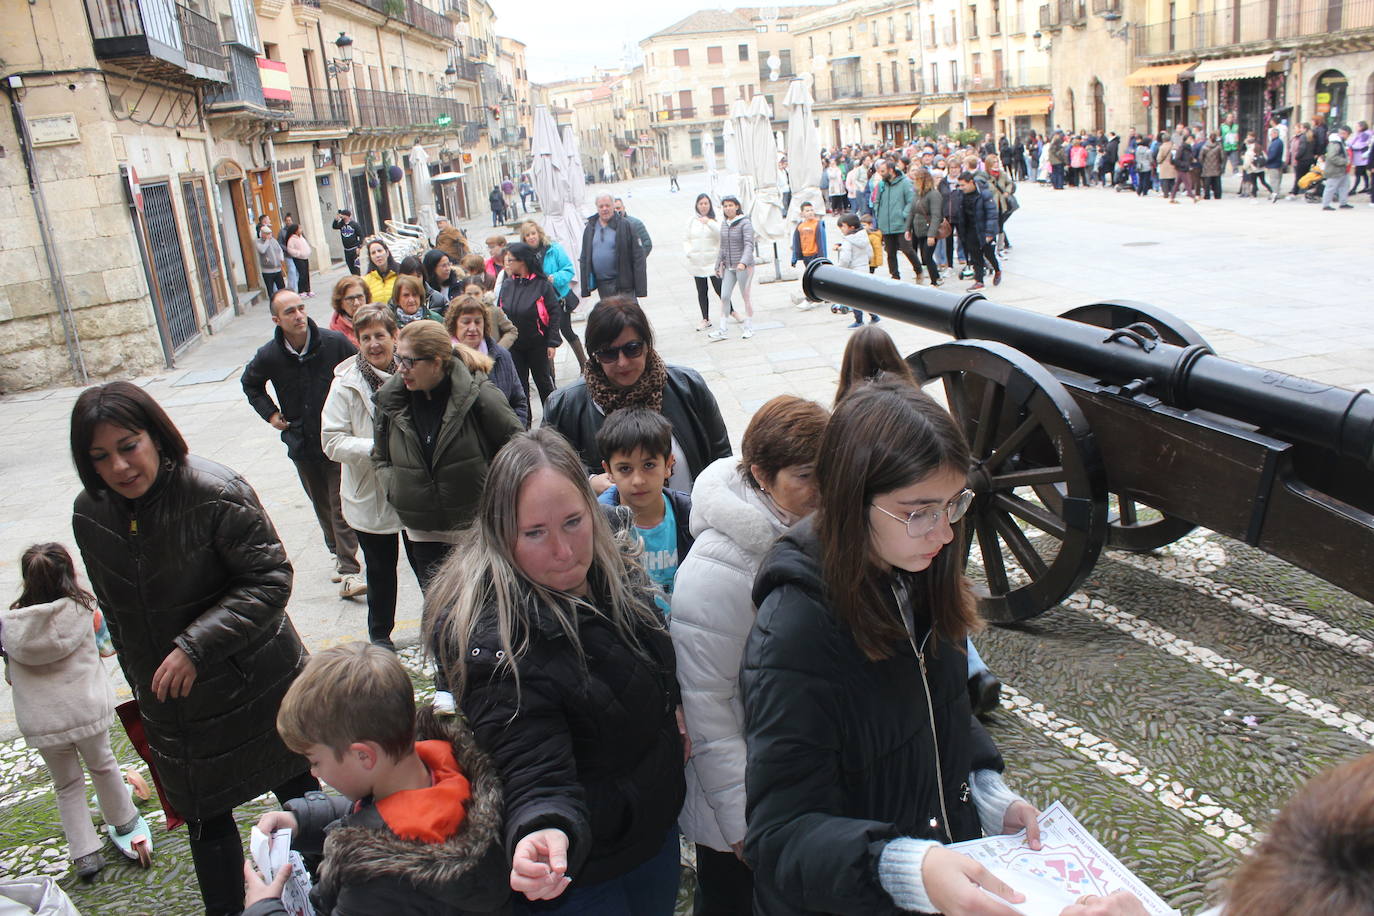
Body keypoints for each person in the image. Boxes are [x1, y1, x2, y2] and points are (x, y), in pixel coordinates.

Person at [741, 379, 1041, 916]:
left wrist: (987, 796)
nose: (945, 533)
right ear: (853, 497)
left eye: (953, 505)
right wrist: (905, 867)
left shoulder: (919, 569)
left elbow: (938, 708)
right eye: (920, 510)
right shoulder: (794, 632)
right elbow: (780, 837)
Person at [70, 382, 318, 915]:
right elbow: (113, 605)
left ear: (156, 436)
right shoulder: (90, 512)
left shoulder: (214, 491)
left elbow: (271, 579)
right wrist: (142, 683)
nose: (118, 466)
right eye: (100, 456)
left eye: (128, 445)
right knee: (207, 823)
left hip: (257, 684)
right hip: (175, 705)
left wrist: (194, 647)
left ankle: (340, 894)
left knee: (301, 796)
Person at [423, 428, 687, 915]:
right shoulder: (496, 640)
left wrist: (672, 709)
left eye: (572, 522)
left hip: (650, 829)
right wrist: (543, 827)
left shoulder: (615, 562)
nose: (564, 551)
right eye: (535, 533)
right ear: (502, 533)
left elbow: (651, 659)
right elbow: (531, 762)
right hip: (582, 871)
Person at [672, 395, 829, 916]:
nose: (823, 489)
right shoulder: (719, 571)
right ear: (761, 475)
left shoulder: (812, 533)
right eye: (807, 475)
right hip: (741, 806)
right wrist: (744, 824)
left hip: (802, 783)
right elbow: (708, 708)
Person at [243, 643, 509, 916]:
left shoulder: (375, 878)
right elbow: (377, 812)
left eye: (315, 761)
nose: (314, 773)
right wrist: (302, 821)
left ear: (363, 757)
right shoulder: (446, 775)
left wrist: (262, 909)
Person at [3, 542, 152, 880]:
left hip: (43, 721)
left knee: (66, 785)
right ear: (69, 574)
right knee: (103, 765)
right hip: (86, 710)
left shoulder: (8, 626)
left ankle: (85, 855)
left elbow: (12, 676)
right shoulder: (87, 610)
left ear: (27, 579)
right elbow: (106, 650)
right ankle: (123, 819)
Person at [241, 290, 364, 598]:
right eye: (289, 312)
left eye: (301, 308)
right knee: (321, 502)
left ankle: (350, 571)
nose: (298, 315)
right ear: (276, 320)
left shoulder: (333, 343)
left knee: (340, 504)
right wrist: (270, 414)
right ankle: (337, 552)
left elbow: (359, 370)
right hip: (301, 442)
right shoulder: (270, 355)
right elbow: (250, 383)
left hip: (337, 438)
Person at [542, 297, 731, 494]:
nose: (622, 362)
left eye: (632, 349)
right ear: (595, 356)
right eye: (609, 353)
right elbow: (546, 471)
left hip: (692, 519)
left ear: (647, 345)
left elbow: (722, 459)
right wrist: (587, 483)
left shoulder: (688, 386)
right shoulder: (565, 406)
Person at [321, 305, 408, 650]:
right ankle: (380, 636)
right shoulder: (347, 385)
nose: (374, 344)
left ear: (394, 336)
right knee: (380, 569)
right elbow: (331, 441)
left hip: (414, 491)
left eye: (380, 335)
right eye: (366, 337)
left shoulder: (411, 371)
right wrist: (378, 447)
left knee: (429, 568)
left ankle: (441, 628)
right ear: (357, 341)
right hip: (369, 494)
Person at [594, 407, 694, 606]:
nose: (638, 480)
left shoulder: (690, 515)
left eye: (648, 465)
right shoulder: (598, 527)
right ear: (609, 471)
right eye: (625, 469)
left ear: (668, 465)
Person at [446, 294, 529, 427]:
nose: (473, 328)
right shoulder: (444, 360)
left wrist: (515, 435)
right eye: (466, 322)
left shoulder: (501, 356)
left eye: (478, 322)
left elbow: (518, 401)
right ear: (453, 324)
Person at [497, 241, 562, 407]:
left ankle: (553, 422)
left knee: (544, 384)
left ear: (522, 261)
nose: (507, 264)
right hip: (514, 346)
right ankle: (524, 424)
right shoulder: (507, 284)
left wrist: (552, 342)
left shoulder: (542, 285)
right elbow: (499, 313)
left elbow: (554, 313)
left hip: (538, 344)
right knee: (520, 388)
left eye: (510, 260)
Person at [520, 219, 588, 373]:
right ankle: (551, 376)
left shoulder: (554, 249)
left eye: (533, 233)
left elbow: (569, 270)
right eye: (527, 235)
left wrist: (554, 278)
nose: (531, 237)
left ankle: (584, 366)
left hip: (558, 298)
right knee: (545, 339)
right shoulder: (524, 256)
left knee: (566, 330)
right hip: (539, 303)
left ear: (539, 233)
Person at [579, 193, 648, 302]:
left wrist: (641, 289)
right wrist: (585, 287)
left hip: (624, 284)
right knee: (609, 317)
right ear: (597, 207)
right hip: (602, 285)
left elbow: (638, 257)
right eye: (601, 206)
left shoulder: (626, 225)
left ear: (613, 206)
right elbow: (584, 257)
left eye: (607, 205)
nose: (604, 209)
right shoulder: (590, 227)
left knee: (628, 316)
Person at [711, 196, 755, 341]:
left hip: (743, 267)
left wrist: (743, 262)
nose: (728, 208)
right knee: (724, 296)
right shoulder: (724, 224)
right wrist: (718, 264)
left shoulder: (745, 223)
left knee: (745, 296)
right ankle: (723, 329)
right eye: (725, 206)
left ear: (737, 206)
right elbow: (723, 246)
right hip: (729, 266)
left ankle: (749, 327)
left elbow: (749, 244)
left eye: (730, 205)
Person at [950, 171, 1000, 290]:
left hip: (982, 229)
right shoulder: (961, 194)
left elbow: (992, 214)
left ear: (971, 182)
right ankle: (979, 280)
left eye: (963, 185)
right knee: (975, 255)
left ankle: (997, 270)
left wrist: (989, 232)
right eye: (959, 185)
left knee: (988, 253)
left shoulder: (984, 194)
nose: (961, 188)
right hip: (969, 229)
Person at [874, 159, 921, 282]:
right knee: (890, 252)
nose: (881, 173)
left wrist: (904, 214)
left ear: (891, 170)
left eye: (883, 171)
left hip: (900, 223)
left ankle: (918, 269)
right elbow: (876, 201)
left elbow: (911, 201)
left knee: (907, 249)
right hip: (886, 223)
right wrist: (878, 215)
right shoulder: (881, 184)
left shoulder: (905, 183)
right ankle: (894, 275)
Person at [684, 193, 723, 331]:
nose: (703, 206)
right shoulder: (692, 221)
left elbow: (720, 233)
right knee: (702, 291)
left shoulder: (715, 219)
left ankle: (731, 311)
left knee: (720, 288)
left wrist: (709, 222)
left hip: (712, 261)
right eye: (701, 203)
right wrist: (689, 252)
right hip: (697, 262)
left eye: (706, 203)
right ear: (697, 205)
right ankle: (705, 318)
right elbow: (686, 238)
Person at [833, 213, 877, 328]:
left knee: (854, 297)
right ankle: (874, 315)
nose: (841, 229)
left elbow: (845, 259)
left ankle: (858, 320)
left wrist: (840, 268)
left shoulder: (848, 241)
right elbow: (870, 254)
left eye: (843, 226)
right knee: (865, 295)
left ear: (851, 227)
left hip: (853, 271)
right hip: (864, 268)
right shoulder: (864, 236)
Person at [1321, 124, 1353, 210]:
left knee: (1344, 186)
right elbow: (1332, 156)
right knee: (1331, 187)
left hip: (1342, 170)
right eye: (1347, 134)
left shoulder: (1340, 142)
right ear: (1344, 133)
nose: (1348, 137)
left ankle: (1343, 202)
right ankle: (1326, 204)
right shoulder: (1335, 143)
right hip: (1335, 169)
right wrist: (1345, 162)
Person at [789, 201, 827, 272]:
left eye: (812, 210)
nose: (810, 212)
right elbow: (796, 242)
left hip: (816, 255)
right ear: (802, 213)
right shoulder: (800, 226)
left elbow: (822, 242)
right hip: (805, 255)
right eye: (807, 211)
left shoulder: (818, 225)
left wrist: (823, 258)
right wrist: (794, 258)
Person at [329, 275, 366, 346]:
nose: (356, 303)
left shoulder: (380, 321)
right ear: (340, 303)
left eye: (360, 297)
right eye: (350, 299)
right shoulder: (335, 333)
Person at [362, 238, 400, 305]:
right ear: (370, 257)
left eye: (380, 251)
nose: (377, 255)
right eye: (373, 253)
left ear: (387, 253)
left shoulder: (400, 274)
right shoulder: (366, 280)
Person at [282, 222, 313, 297]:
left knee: (306, 274)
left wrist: (308, 251)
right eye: (299, 228)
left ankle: (308, 290)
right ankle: (301, 290)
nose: (301, 230)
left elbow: (306, 245)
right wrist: (298, 253)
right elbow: (290, 249)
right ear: (295, 230)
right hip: (298, 258)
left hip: (305, 257)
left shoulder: (301, 237)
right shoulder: (292, 239)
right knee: (302, 274)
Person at [256, 223, 287, 298]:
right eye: (267, 234)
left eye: (270, 233)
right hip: (267, 270)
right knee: (271, 291)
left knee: (282, 289)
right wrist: (267, 241)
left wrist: (281, 258)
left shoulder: (274, 240)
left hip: (277, 269)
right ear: (262, 234)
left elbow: (279, 250)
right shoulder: (258, 241)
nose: (269, 235)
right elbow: (262, 250)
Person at [332, 208, 363, 275]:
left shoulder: (354, 224)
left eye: (342, 215)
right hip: (346, 250)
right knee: (350, 266)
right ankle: (354, 278)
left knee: (356, 267)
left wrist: (359, 247)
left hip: (354, 249)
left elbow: (361, 236)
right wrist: (336, 220)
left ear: (347, 216)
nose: (341, 216)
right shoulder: (341, 224)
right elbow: (334, 227)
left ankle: (358, 279)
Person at [1264, 126, 1286, 203]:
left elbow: (1273, 154)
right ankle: (1276, 193)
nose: (1271, 135)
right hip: (1278, 163)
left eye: (1272, 134)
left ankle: (1275, 193)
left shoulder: (1276, 143)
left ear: (1276, 134)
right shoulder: (1279, 142)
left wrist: (1266, 161)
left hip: (1274, 164)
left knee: (1274, 180)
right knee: (1277, 179)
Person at [1201, 132, 1226, 200]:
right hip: (1216, 166)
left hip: (1207, 167)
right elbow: (1222, 157)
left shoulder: (1204, 146)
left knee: (1207, 182)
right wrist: (1220, 163)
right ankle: (1217, 195)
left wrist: (1204, 163)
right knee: (1217, 182)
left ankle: (1207, 195)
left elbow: (1200, 157)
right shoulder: (1219, 146)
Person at [1351, 120, 1371, 194]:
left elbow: (1360, 145)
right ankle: (1366, 186)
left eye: (1358, 126)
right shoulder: (1360, 134)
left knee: (1358, 173)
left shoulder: (1365, 135)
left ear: (1362, 127)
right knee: (1363, 173)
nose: (1356, 127)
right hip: (1360, 157)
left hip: (1361, 157)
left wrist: (1351, 146)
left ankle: (1354, 189)